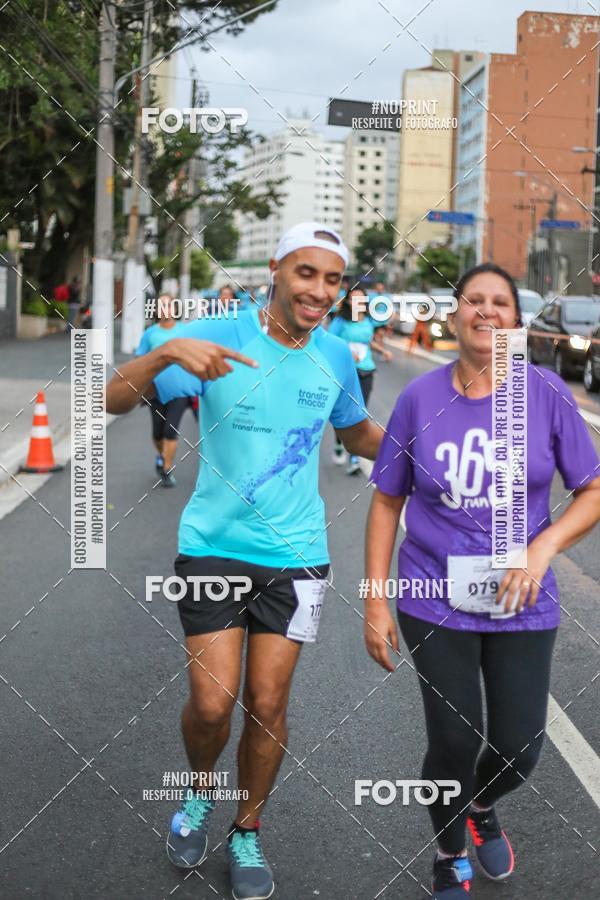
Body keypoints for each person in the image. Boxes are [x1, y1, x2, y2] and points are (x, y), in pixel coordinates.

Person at [106, 222, 383, 900]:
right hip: (213, 548)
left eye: (331, 279)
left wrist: (430, 454)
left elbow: (354, 432)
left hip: (299, 559)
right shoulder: (214, 335)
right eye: (306, 273)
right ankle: (200, 791)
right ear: (275, 268)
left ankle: (248, 827)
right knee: (211, 704)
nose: (319, 290)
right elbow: (108, 399)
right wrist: (165, 352)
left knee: (268, 703)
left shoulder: (339, 357)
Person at [363, 262, 600, 899]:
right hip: (432, 593)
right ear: (457, 312)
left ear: (517, 323)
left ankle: (480, 806)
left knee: (520, 748)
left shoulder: (545, 393)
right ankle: (448, 853)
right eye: (475, 300)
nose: (487, 311)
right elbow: (387, 500)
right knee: (453, 736)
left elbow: (593, 489)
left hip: (521, 597)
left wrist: (543, 546)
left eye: (501, 302)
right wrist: (376, 601)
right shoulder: (420, 399)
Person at [329, 286, 392, 474]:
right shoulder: (341, 321)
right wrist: (347, 352)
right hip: (346, 371)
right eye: (353, 299)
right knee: (344, 412)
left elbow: (368, 341)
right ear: (348, 301)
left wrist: (383, 351)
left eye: (361, 299)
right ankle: (340, 442)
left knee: (360, 412)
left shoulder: (369, 321)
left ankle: (354, 458)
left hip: (366, 370)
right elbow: (329, 342)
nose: (358, 303)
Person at [135, 294, 193, 487]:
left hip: (179, 391)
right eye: (161, 306)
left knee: (170, 430)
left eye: (168, 305)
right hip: (155, 391)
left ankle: (167, 469)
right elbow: (140, 361)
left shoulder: (185, 331)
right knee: (158, 432)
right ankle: (162, 455)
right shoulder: (150, 334)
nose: (165, 309)